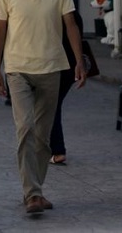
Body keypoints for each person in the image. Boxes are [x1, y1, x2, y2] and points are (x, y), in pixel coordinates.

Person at [0, 0, 86, 214]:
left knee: (43, 137)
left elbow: (71, 24)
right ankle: (32, 194)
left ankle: (35, 190)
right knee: (25, 129)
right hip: (17, 69)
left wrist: (79, 61)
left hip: (52, 68)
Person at [50, 12, 84, 165]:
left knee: (50, 107)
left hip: (56, 66)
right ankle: (54, 149)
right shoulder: (74, 16)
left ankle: (57, 150)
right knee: (53, 106)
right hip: (70, 68)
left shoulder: (53, 15)